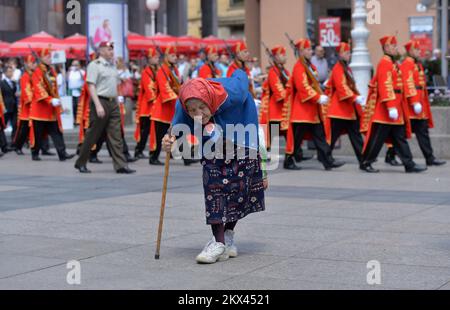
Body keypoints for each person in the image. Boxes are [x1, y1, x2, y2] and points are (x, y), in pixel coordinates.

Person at [162, 70, 267, 264]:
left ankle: (228, 235)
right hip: (212, 146)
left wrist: (262, 161)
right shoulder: (185, 100)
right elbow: (176, 127)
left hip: (242, 138)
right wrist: (169, 139)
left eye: (202, 108)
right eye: (192, 110)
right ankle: (218, 243)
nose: (198, 114)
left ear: (209, 101)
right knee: (214, 190)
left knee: (239, 193)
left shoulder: (233, 93)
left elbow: (241, 76)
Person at [360, 35, 427, 173]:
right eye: (394, 46)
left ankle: (409, 164)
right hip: (386, 109)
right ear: (386, 48)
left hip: (396, 107)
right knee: (377, 138)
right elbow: (385, 86)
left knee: (399, 138)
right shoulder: (384, 63)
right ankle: (366, 162)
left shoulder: (392, 63)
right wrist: (390, 106)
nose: (396, 48)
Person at [74, 41, 135, 174]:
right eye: (108, 49)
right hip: (100, 101)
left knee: (116, 135)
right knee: (92, 134)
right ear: (101, 51)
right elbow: (91, 86)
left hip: (113, 103)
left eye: (112, 49)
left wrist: (119, 97)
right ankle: (81, 162)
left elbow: (116, 84)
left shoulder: (112, 66)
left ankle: (120, 165)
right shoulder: (94, 65)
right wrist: (97, 105)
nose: (111, 52)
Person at [283, 38, 344, 171]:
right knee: (297, 139)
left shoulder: (309, 66)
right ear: (301, 51)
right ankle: (288, 160)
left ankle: (327, 161)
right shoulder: (299, 67)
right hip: (302, 111)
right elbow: (302, 87)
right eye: (308, 49)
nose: (311, 52)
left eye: (311, 49)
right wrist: (317, 97)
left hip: (312, 110)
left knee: (320, 136)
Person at [399, 40, 446, 167]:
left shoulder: (416, 64)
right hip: (411, 106)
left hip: (419, 104)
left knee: (422, 132)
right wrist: (414, 102)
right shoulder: (407, 64)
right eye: (417, 49)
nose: (419, 51)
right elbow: (408, 84)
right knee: (400, 134)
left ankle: (429, 158)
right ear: (410, 51)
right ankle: (390, 155)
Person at [29, 48, 74, 162]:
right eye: (47, 56)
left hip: (51, 110)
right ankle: (35, 153)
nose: (50, 59)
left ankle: (62, 153)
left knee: (56, 132)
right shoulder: (38, 72)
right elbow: (38, 89)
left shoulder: (51, 71)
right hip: (40, 110)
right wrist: (50, 100)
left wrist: (57, 101)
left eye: (50, 56)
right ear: (42, 58)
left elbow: (55, 90)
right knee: (38, 134)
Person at [324, 42, 366, 167]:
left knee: (355, 136)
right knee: (333, 137)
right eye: (347, 53)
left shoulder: (345, 68)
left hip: (347, 109)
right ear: (341, 54)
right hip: (339, 110)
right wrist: (355, 98)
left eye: (349, 52)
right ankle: (327, 159)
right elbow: (342, 87)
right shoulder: (338, 68)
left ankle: (364, 160)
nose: (349, 55)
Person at [150, 45, 180, 166]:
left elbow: (177, 86)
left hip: (172, 108)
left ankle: (184, 157)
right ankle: (153, 157)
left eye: (176, 55)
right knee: (159, 135)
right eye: (173, 55)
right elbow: (164, 88)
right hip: (162, 110)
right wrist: (178, 98)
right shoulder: (162, 70)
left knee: (177, 132)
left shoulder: (174, 70)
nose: (175, 57)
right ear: (166, 57)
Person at [134, 47, 159, 160]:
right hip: (147, 107)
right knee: (145, 131)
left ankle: (141, 150)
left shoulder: (156, 70)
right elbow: (148, 89)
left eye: (157, 57)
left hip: (154, 106)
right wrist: (156, 100)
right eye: (155, 57)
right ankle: (138, 150)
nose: (157, 59)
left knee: (150, 130)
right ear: (149, 59)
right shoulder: (146, 72)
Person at [0, 66, 19, 149]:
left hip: (14, 106)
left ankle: (14, 143)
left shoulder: (14, 83)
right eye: (9, 71)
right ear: (5, 73)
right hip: (5, 107)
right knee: (3, 126)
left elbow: (15, 94)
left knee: (15, 125)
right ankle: (4, 145)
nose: (11, 73)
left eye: (11, 71)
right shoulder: (2, 83)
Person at [67, 60, 85, 125]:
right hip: (71, 92)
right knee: (73, 106)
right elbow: (66, 79)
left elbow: (84, 78)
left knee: (78, 106)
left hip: (79, 91)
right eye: (73, 65)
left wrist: (79, 70)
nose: (74, 66)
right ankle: (74, 120)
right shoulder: (70, 72)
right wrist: (69, 71)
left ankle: (79, 120)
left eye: (76, 65)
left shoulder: (82, 72)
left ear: (79, 65)